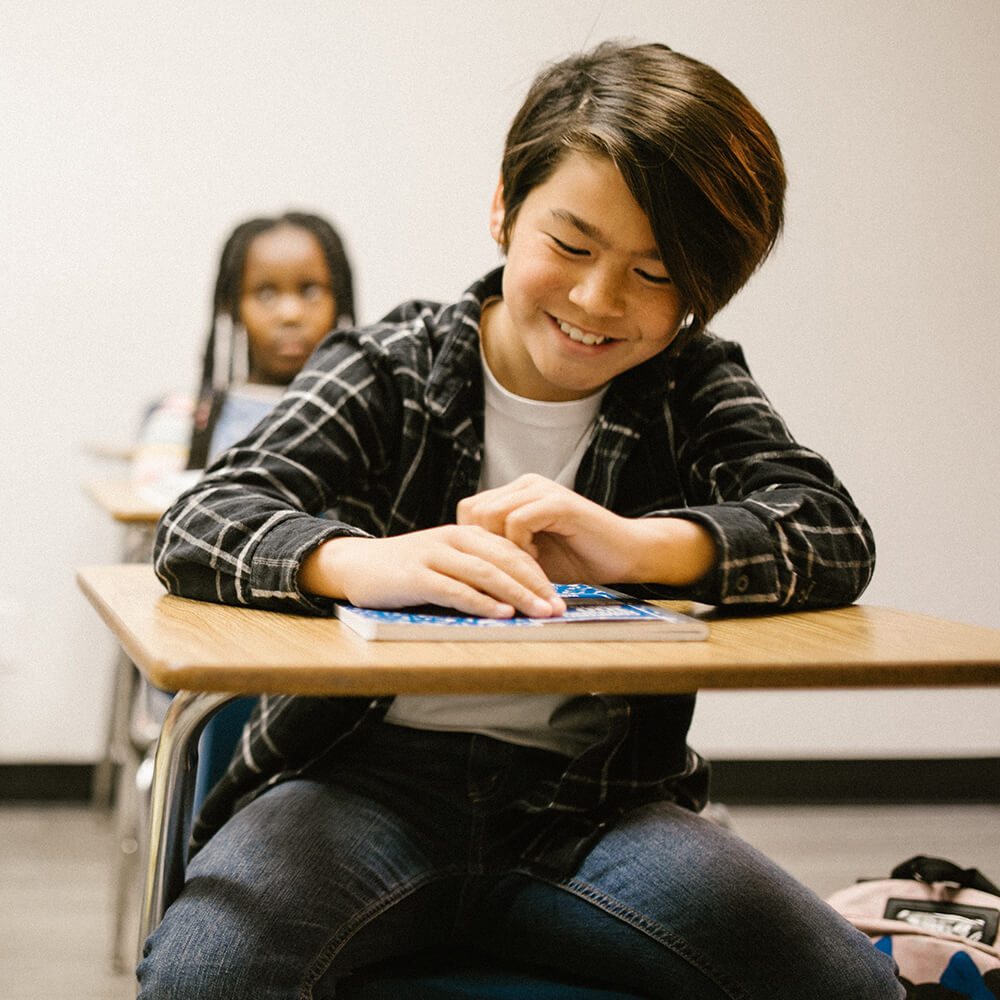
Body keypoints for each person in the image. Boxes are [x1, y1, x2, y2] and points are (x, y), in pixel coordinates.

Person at [143, 42, 902, 1000]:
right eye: (572, 247)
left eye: (656, 272)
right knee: (210, 976)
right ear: (505, 205)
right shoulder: (393, 366)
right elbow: (203, 515)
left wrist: (648, 546)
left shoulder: (688, 383)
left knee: (851, 987)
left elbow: (830, 530)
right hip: (357, 783)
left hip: (594, 804)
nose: (597, 301)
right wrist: (358, 563)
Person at [130, 211, 355, 486]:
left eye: (310, 291)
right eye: (266, 294)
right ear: (231, 305)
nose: (290, 314)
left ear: (340, 300)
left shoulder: (367, 419)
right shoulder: (181, 419)